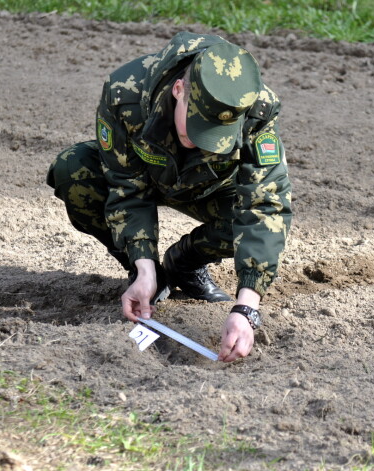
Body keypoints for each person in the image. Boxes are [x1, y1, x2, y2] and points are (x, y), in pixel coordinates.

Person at [47, 32, 292, 362]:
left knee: (251, 219)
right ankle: (150, 277)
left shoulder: (256, 108)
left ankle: (186, 264)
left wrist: (246, 308)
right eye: (196, 126)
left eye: (217, 136)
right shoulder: (126, 94)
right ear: (179, 90)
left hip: (213, 187)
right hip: (149, 178)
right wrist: (143, 264)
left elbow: (265, 205)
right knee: (72, 168)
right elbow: (126, 188)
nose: (201, 141)